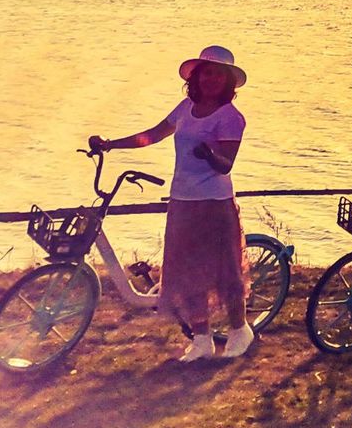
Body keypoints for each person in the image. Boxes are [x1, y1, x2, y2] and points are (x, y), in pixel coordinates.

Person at [89, 45, 253, 362]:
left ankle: (239, 331)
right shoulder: (185, 107)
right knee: (185, 271)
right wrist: (111, 145)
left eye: (219, 74)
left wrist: (210, 155)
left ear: (229, 81)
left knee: (225, 271)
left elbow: (226, 164)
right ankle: (202, 338)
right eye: (207, 73)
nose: (211, 79)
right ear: (196, 76)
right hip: (182, 201)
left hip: (214, 202)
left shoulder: (232, 118)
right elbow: (152, 135)